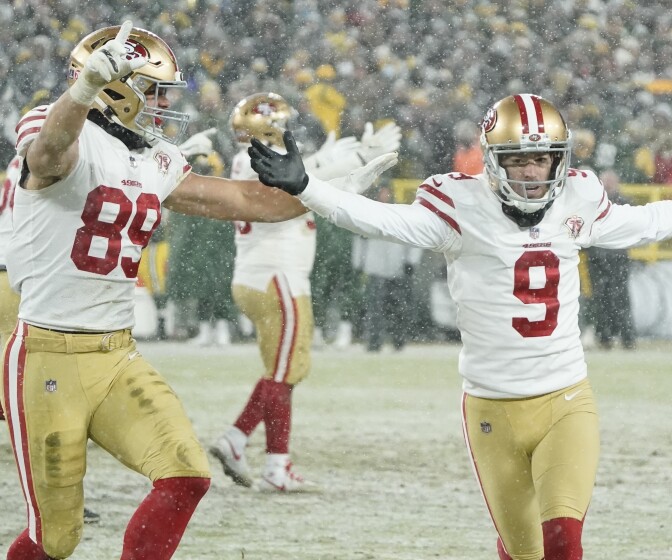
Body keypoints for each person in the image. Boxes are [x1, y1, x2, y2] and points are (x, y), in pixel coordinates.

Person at [247, 93, 672, 560]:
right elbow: (384, 221)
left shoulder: (579, 197)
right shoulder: (459, 206)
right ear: (491, 162)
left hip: (565, 402)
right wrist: (306, 189)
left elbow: (650, 221)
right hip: (491, 409)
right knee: (523, 553)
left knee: (563, 543)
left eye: (543, 159)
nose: (534, 172)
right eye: (519, 160)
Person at [0, 22, 390, 559]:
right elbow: (47, 158)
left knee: (185, 474)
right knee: (57, 538)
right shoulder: (58, 123)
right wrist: (83, 90)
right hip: (47, 354)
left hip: (116, 355)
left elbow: (250, 202)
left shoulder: (155, 158)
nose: (164, 106)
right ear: (115, 88)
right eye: (155, 92)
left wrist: (328, 194)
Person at [210, 92, 401, 491]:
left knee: (281, 372)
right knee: (284, 373)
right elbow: (302, 180)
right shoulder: (254, 161)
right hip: (276, 276)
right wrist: (356, 160)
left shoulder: (246, 158)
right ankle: (275, 465)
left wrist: (333, 158)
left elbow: (302, 170)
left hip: (261, 275)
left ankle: (237, 440)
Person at [2, 156, 103, 525]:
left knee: (18, 392)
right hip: (23, 281)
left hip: (12, 272)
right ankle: (55, 497)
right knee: (42, 396)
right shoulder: (63, 161)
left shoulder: (26, 161)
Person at [352, 185, 423, 352]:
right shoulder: (368, 215)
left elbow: (413, 239)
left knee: (398, 308)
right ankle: (374, 342)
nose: (384, 195)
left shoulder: (400, 214)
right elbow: (360, 240)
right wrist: (359, 264)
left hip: (397, 268)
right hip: (375, 268)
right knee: (375, 308)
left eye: (387, 192)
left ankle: (398, 341)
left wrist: (411, 261)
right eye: (381, 192)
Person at [584, 170, 636, 350]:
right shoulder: (597, 204)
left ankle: (625, 338)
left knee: (618, 299)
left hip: (613, 257)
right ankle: (607, 337)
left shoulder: (597, 204)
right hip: (603, 257)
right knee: (603, 300)